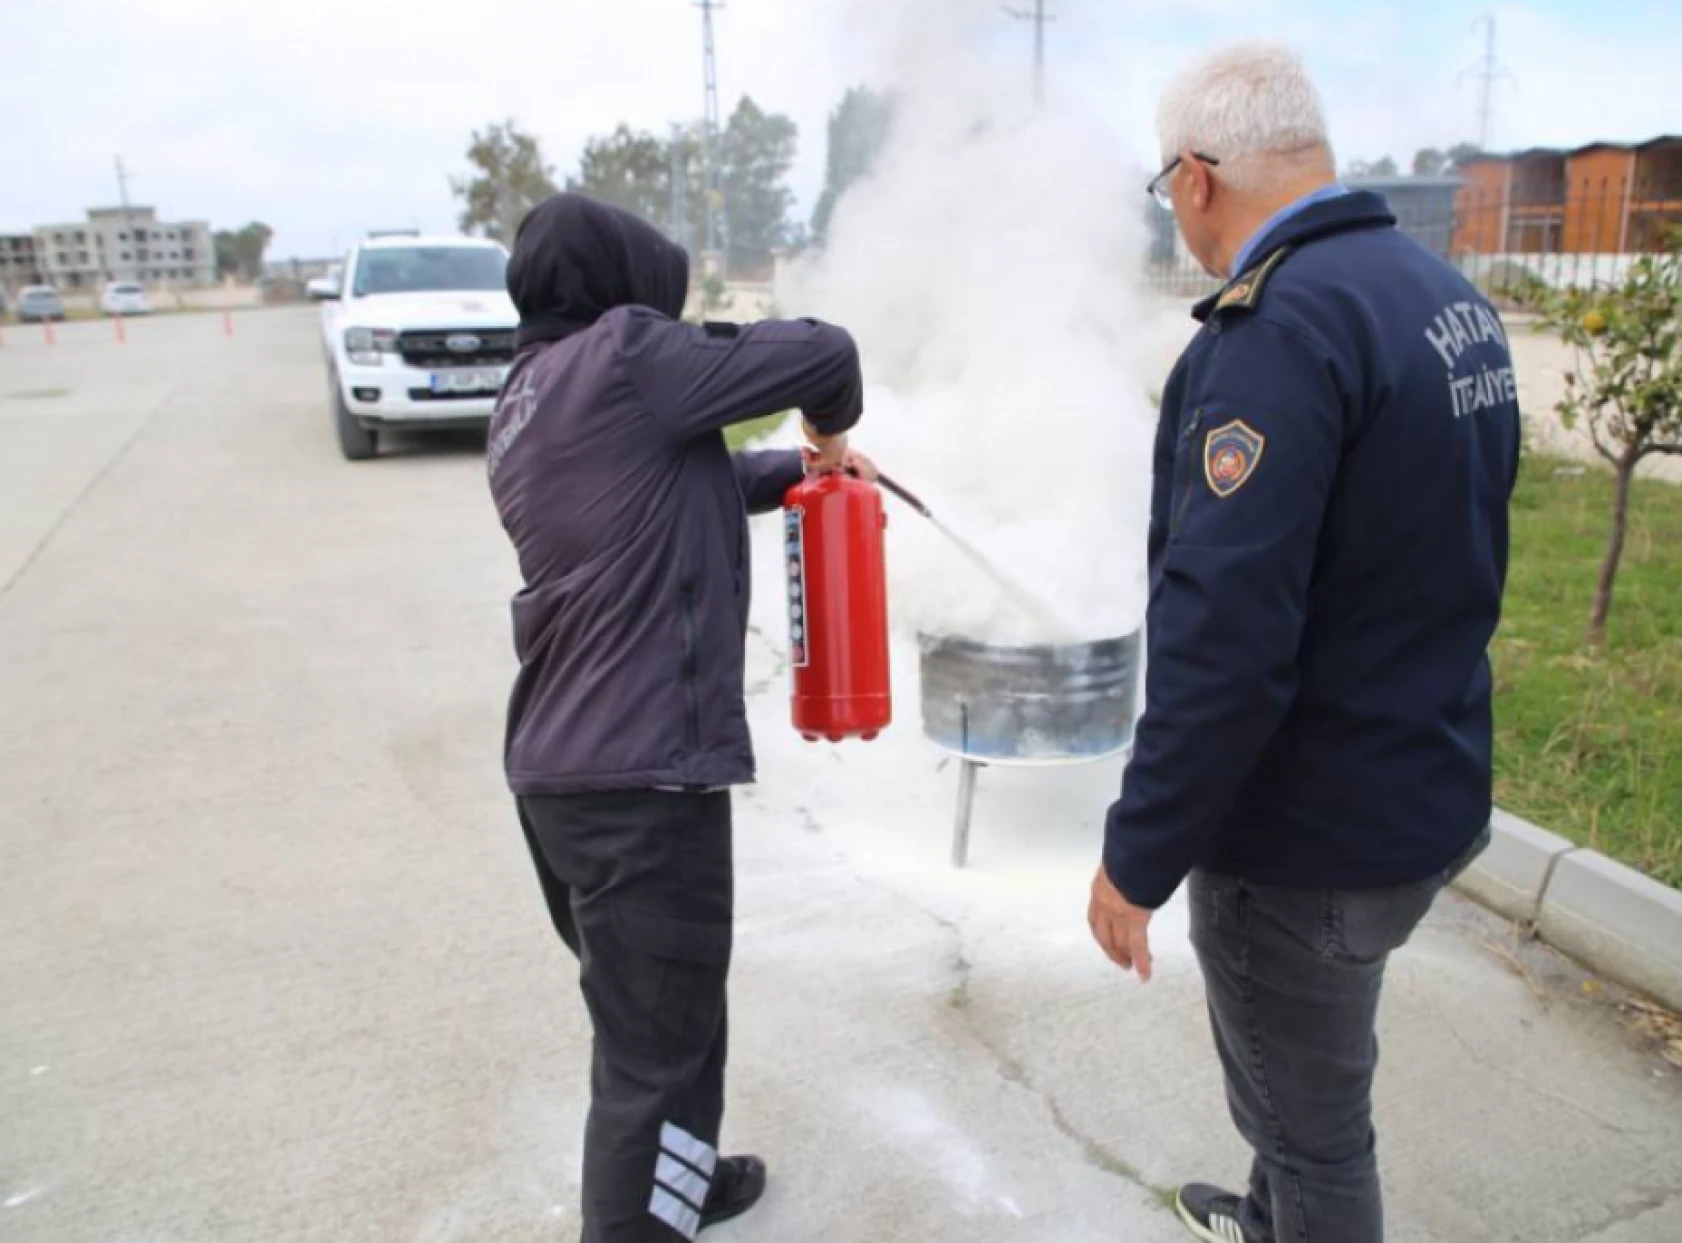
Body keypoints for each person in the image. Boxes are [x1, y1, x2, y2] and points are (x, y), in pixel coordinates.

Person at [1086, 44, 1520, 1243]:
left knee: (1316, 1133)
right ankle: (1267, 1212)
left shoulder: (1272, 335)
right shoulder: (1444, 301)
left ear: (1193, 178)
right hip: (1418, 788)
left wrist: (1136, 853)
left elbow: (1223, 638)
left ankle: (1297, 1210)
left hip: (1303, 841)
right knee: (1310, 1077)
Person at [487, 193, 869, 1242]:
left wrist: (802, 469)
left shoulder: (528, 391)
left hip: (566, 777)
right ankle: (640, 1217)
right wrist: (829, 428)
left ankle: (682, 1181)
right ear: (620, 281)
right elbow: (825, 352)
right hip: (638, 782)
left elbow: (675, 488)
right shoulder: (624, 355)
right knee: (651, 1058)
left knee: (665, 1019)